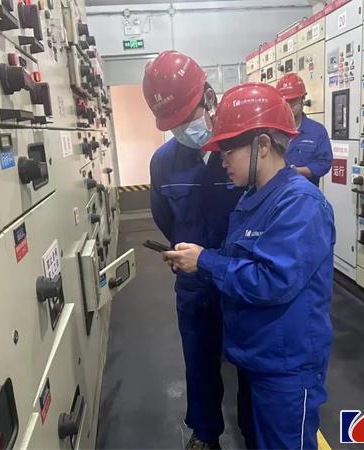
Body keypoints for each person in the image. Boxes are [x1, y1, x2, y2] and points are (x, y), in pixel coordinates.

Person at [164, 82, 335, 450]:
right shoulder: (253, 198)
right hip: (257, 356)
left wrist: (204, 260)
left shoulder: (299, 204)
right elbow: (238, 260)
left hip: (286, 366)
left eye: (228, 151)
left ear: (263, 145)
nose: (222, 161)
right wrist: (201, 258)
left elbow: (271, 280)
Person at [143, 51, 243, 450]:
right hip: (194, 282)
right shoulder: (162, 164)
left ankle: (255, 431)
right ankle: (205, 433)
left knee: (251, 361)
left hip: (239, 277)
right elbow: (165, 218)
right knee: (199, 360)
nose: (184, 129)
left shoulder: (239, 152)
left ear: (209, 98)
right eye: (175, 124)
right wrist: (188, 253)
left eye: (188, 117)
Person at [277, 73, 333, 187]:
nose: (289, 106)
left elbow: (324, 163)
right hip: (276, 192)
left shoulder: (317, 131)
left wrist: (298, 171)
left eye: (293, 101)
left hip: (304, 193)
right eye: (285, 102)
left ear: (303, 99)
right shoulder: (272, 131)